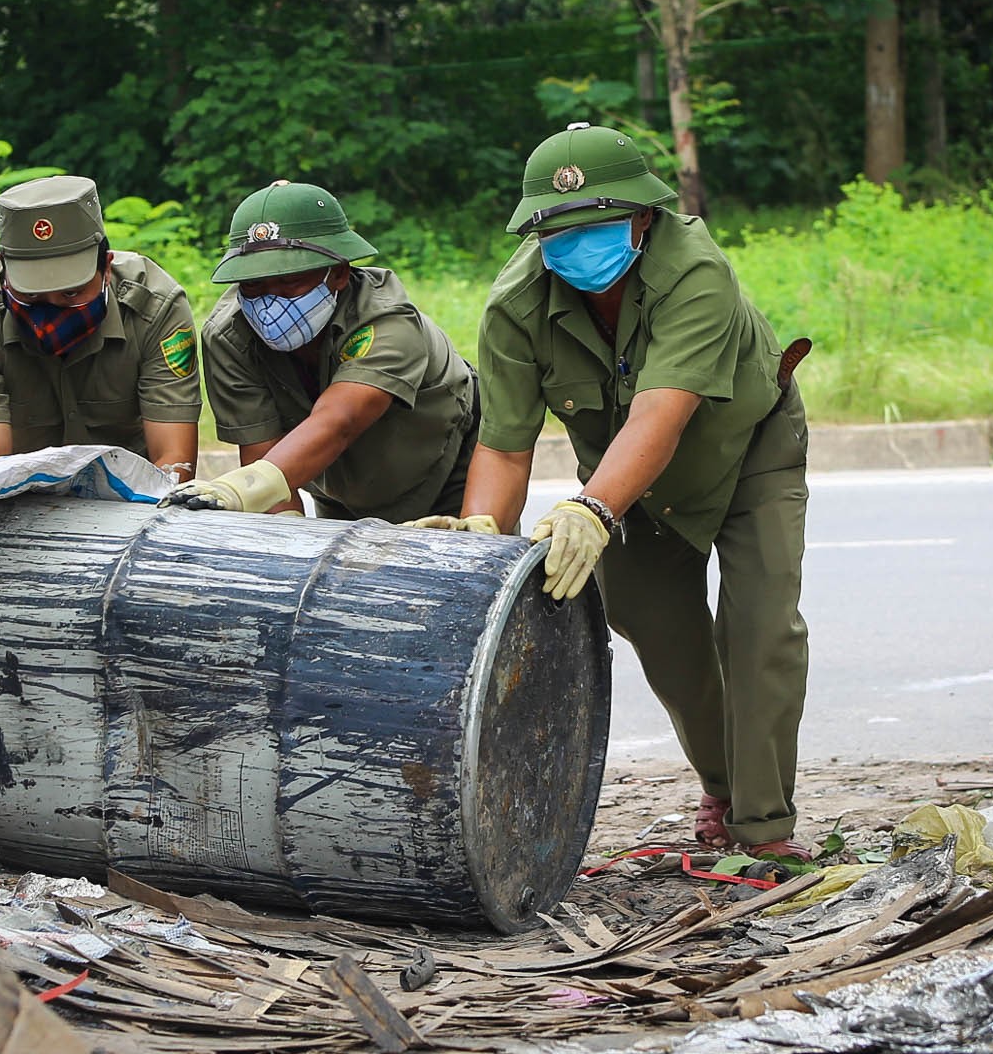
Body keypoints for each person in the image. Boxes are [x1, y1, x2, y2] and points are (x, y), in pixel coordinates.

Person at [427, 124, 812, 859]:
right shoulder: (516, 304)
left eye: (595, 225)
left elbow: (660, 415)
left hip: (747, 451)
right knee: (653, 626)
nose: (575, 244)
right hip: (627, 480)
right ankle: (724, 785)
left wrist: (593, 509)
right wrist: (481, 528)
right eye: (556, 230)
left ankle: (763, 830)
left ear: (642, 216)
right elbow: (505, 444)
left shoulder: (696, 271)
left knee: (761, 630)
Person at [162, 180, 478, 521]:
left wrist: (238, 491)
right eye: (254, 285)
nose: (271, 301)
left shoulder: (388, 322)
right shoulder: (231, 338)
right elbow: (263, 459)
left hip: (450, 474)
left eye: (290, 281)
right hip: (339, 490)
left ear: (339, 273)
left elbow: (339, 421)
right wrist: (287, 535)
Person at [0, 174, 201, 477]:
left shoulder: (154, 309)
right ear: (3, 268)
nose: (51, 307)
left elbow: (173, 463)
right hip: (11, 496)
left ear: (107, 267)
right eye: (32, 294)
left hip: (131, 495)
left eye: (72, 292)